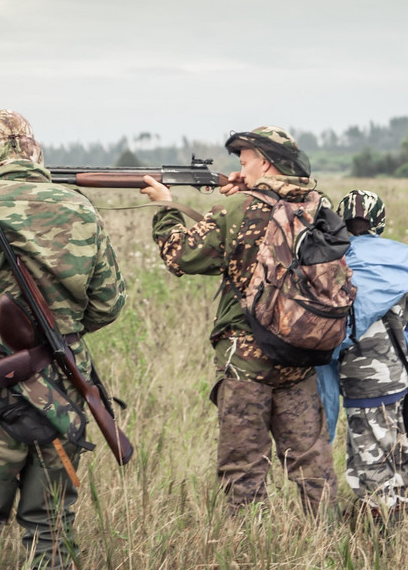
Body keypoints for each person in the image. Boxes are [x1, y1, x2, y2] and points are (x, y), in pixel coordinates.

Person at [0, 109, 127, 569]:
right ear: (33, 149)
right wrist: (56, 335)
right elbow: (108, 305)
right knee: (51, 526)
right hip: (64, 388)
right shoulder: (79, 207)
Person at [139, 125, 338, 517]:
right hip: (301, 356)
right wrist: (244, 193)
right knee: (313, 467)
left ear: (264, 163)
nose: (240, 170)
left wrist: (164, 206)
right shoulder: (317, 206)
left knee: (244, 471)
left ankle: (249, 548)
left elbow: (182, 256)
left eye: (245, 162)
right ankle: (327, 540)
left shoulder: (238, 209)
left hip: (247, 360)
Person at [315, 189, 408, 527]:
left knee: (368, 458)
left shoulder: (335, 264)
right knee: (395, 452)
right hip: (399, 377)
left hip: (360, 381)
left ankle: (381, 536)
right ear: (379, 221)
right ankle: (396, 520)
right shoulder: (403, 261)